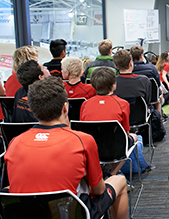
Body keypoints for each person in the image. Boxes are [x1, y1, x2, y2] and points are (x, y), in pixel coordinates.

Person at [4, 77, 128, 219]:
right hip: (71, 213)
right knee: (119, 181)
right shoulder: (83, 140)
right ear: (65, 107)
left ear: (33, 110)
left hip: (27, 214)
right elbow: (99, 190)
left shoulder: (14, 142)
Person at [80, 67, 137, 175]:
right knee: (133, 137)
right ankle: (112, 174)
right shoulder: (123, 104)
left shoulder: (85, 104)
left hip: (91, 147)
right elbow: (125, 132)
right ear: (114, 84)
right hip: (115, 149)